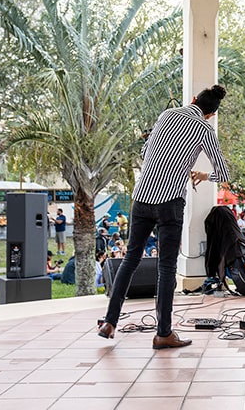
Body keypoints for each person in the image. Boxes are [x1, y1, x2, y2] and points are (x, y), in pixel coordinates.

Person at [98, 84, 230, 350]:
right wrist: (204, 175)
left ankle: (110, 322)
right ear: (211, 114)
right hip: (170, 202)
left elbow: (146, 153)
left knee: (130, 259)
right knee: (167, 267)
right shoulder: (205, 130)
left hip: (142, 197)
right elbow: (224, 174)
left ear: (193, 100)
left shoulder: (166, 115)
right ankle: (163, 333)